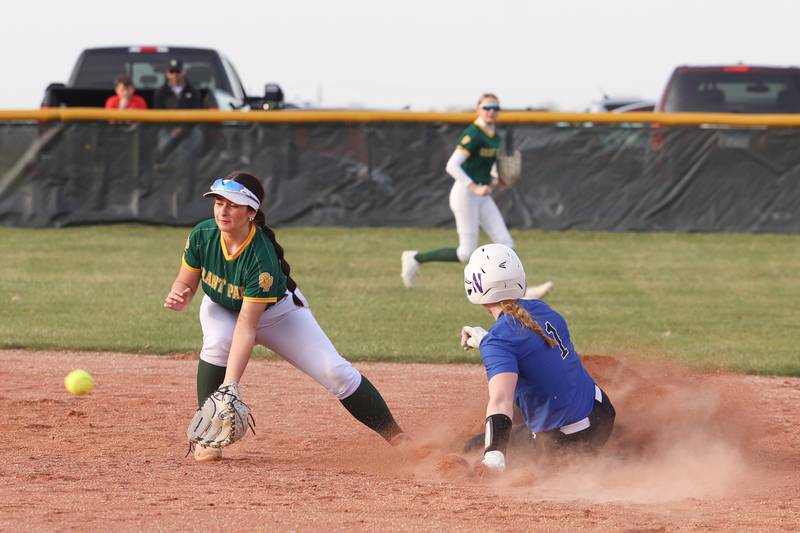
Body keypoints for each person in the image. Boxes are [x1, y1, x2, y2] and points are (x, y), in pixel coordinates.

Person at [164, 170, 408, 461]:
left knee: (336, 373)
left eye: (232, 204)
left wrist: (230, 386)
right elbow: (187, 280)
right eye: (218, 202)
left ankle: (398, 437)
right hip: (221, 307)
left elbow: (246, 326)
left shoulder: (260, 257)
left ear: (251, 212)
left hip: (278, 314)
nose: (223, 210)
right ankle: (209, 434)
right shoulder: (203, 234)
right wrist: (181, 294)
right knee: (217, 340)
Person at [459, 243, 615, 474]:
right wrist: (486, 341)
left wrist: (494, 455)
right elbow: (530, 349)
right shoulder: (541, 309)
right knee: (525, 398)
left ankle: (601, 465)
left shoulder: (499, 341)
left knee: (473, 445)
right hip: (603, 414)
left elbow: (500, 401)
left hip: (567, 443)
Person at [401, 93, 554, 300]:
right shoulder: (473, 133)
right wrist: (473, 186)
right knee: (466, 253)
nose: (491, 111)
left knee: (506, 243)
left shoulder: (493, 135)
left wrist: (495, 179)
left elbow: (489, 166)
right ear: (478, 109)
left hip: (482, 195)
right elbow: (452, 165)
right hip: (465, 195)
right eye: (487, 107)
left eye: (495, 108)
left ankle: (522, 292)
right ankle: (414, 258)